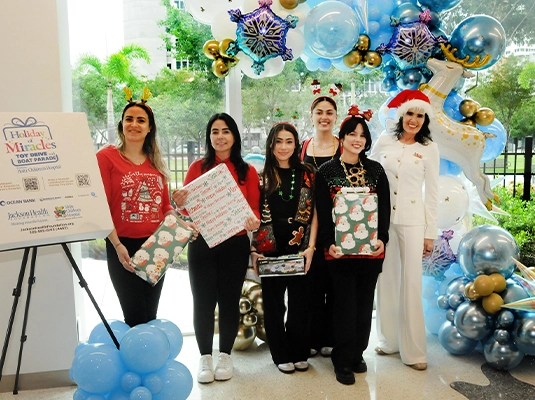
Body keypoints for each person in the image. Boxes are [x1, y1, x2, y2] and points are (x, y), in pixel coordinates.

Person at [172, 113, 261, 384]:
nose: (219, 136)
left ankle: (225, 356)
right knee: (202, 301)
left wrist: (253, 221)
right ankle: (204, 357)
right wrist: (178, 201)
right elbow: (186, 208)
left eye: (225, 131)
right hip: (202, 243)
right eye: (214, 131)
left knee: (229, 301)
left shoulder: (248, 171)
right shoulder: (197, 168)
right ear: (209, 137)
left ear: (234, 136)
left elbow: (255, 210)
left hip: (234, 243)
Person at [315, 105, 390, 385]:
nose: (357, 139)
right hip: (339, 253)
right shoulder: (327, 171)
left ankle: (357, 352)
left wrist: (382, 238)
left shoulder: (376, 171)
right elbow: (322, 212)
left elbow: (384, 210)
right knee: (344, 307)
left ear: (366, 141)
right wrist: (327, 243)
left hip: (370, 252)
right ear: (342, 137)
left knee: (363, 306)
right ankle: (342, 359)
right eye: (351, 134)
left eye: (362, 135)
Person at [370, 90, 439, 371]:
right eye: (410, 113)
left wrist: (430, 233)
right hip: (383, 221)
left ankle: (414, 351)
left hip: (413, 221)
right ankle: (389, 341)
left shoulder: (429, 148)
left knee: (411, 282)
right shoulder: (384, 141)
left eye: (420, 115)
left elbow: (432, 192)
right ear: (401, 115)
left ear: (425, 120)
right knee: (386, 280)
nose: (414, 120)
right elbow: (369, 175)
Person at [96, 92, 178, 327]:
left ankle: (148, 362)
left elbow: (165, 206)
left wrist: (177, 223)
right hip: (122, 246)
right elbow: (100, 206)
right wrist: (118, 245)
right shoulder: (106, 157)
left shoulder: (156, 163)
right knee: (135, 316)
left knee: (150, 316)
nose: (134, 124)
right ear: (122, 125)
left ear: (150, 127)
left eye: (141, 120)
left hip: (157, 245)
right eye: (129, 119)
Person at [250, 122, 317, 374]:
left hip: (300, 248)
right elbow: (252, 214)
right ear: (271, 144)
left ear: (296, 144)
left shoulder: (308, 173)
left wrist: (311, 246)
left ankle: (299, 351)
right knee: (275, 305)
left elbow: (316, 214)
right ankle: (279, 354)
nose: (284, 146)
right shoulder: (260, 176)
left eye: (289, 141)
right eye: (279, 141)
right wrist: (254, 250)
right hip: (269, 249)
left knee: (301, 303)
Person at [301, 95, 341, 358]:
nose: (324, 117)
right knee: (311, 283)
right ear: (312, 115)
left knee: (336, 282)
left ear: (335, 117)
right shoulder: (303, 146)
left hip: (338, 223)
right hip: (307, 225)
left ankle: (331, 337)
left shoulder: (345, 145)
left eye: (329, 112)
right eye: (319, 112)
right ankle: (312, 337)